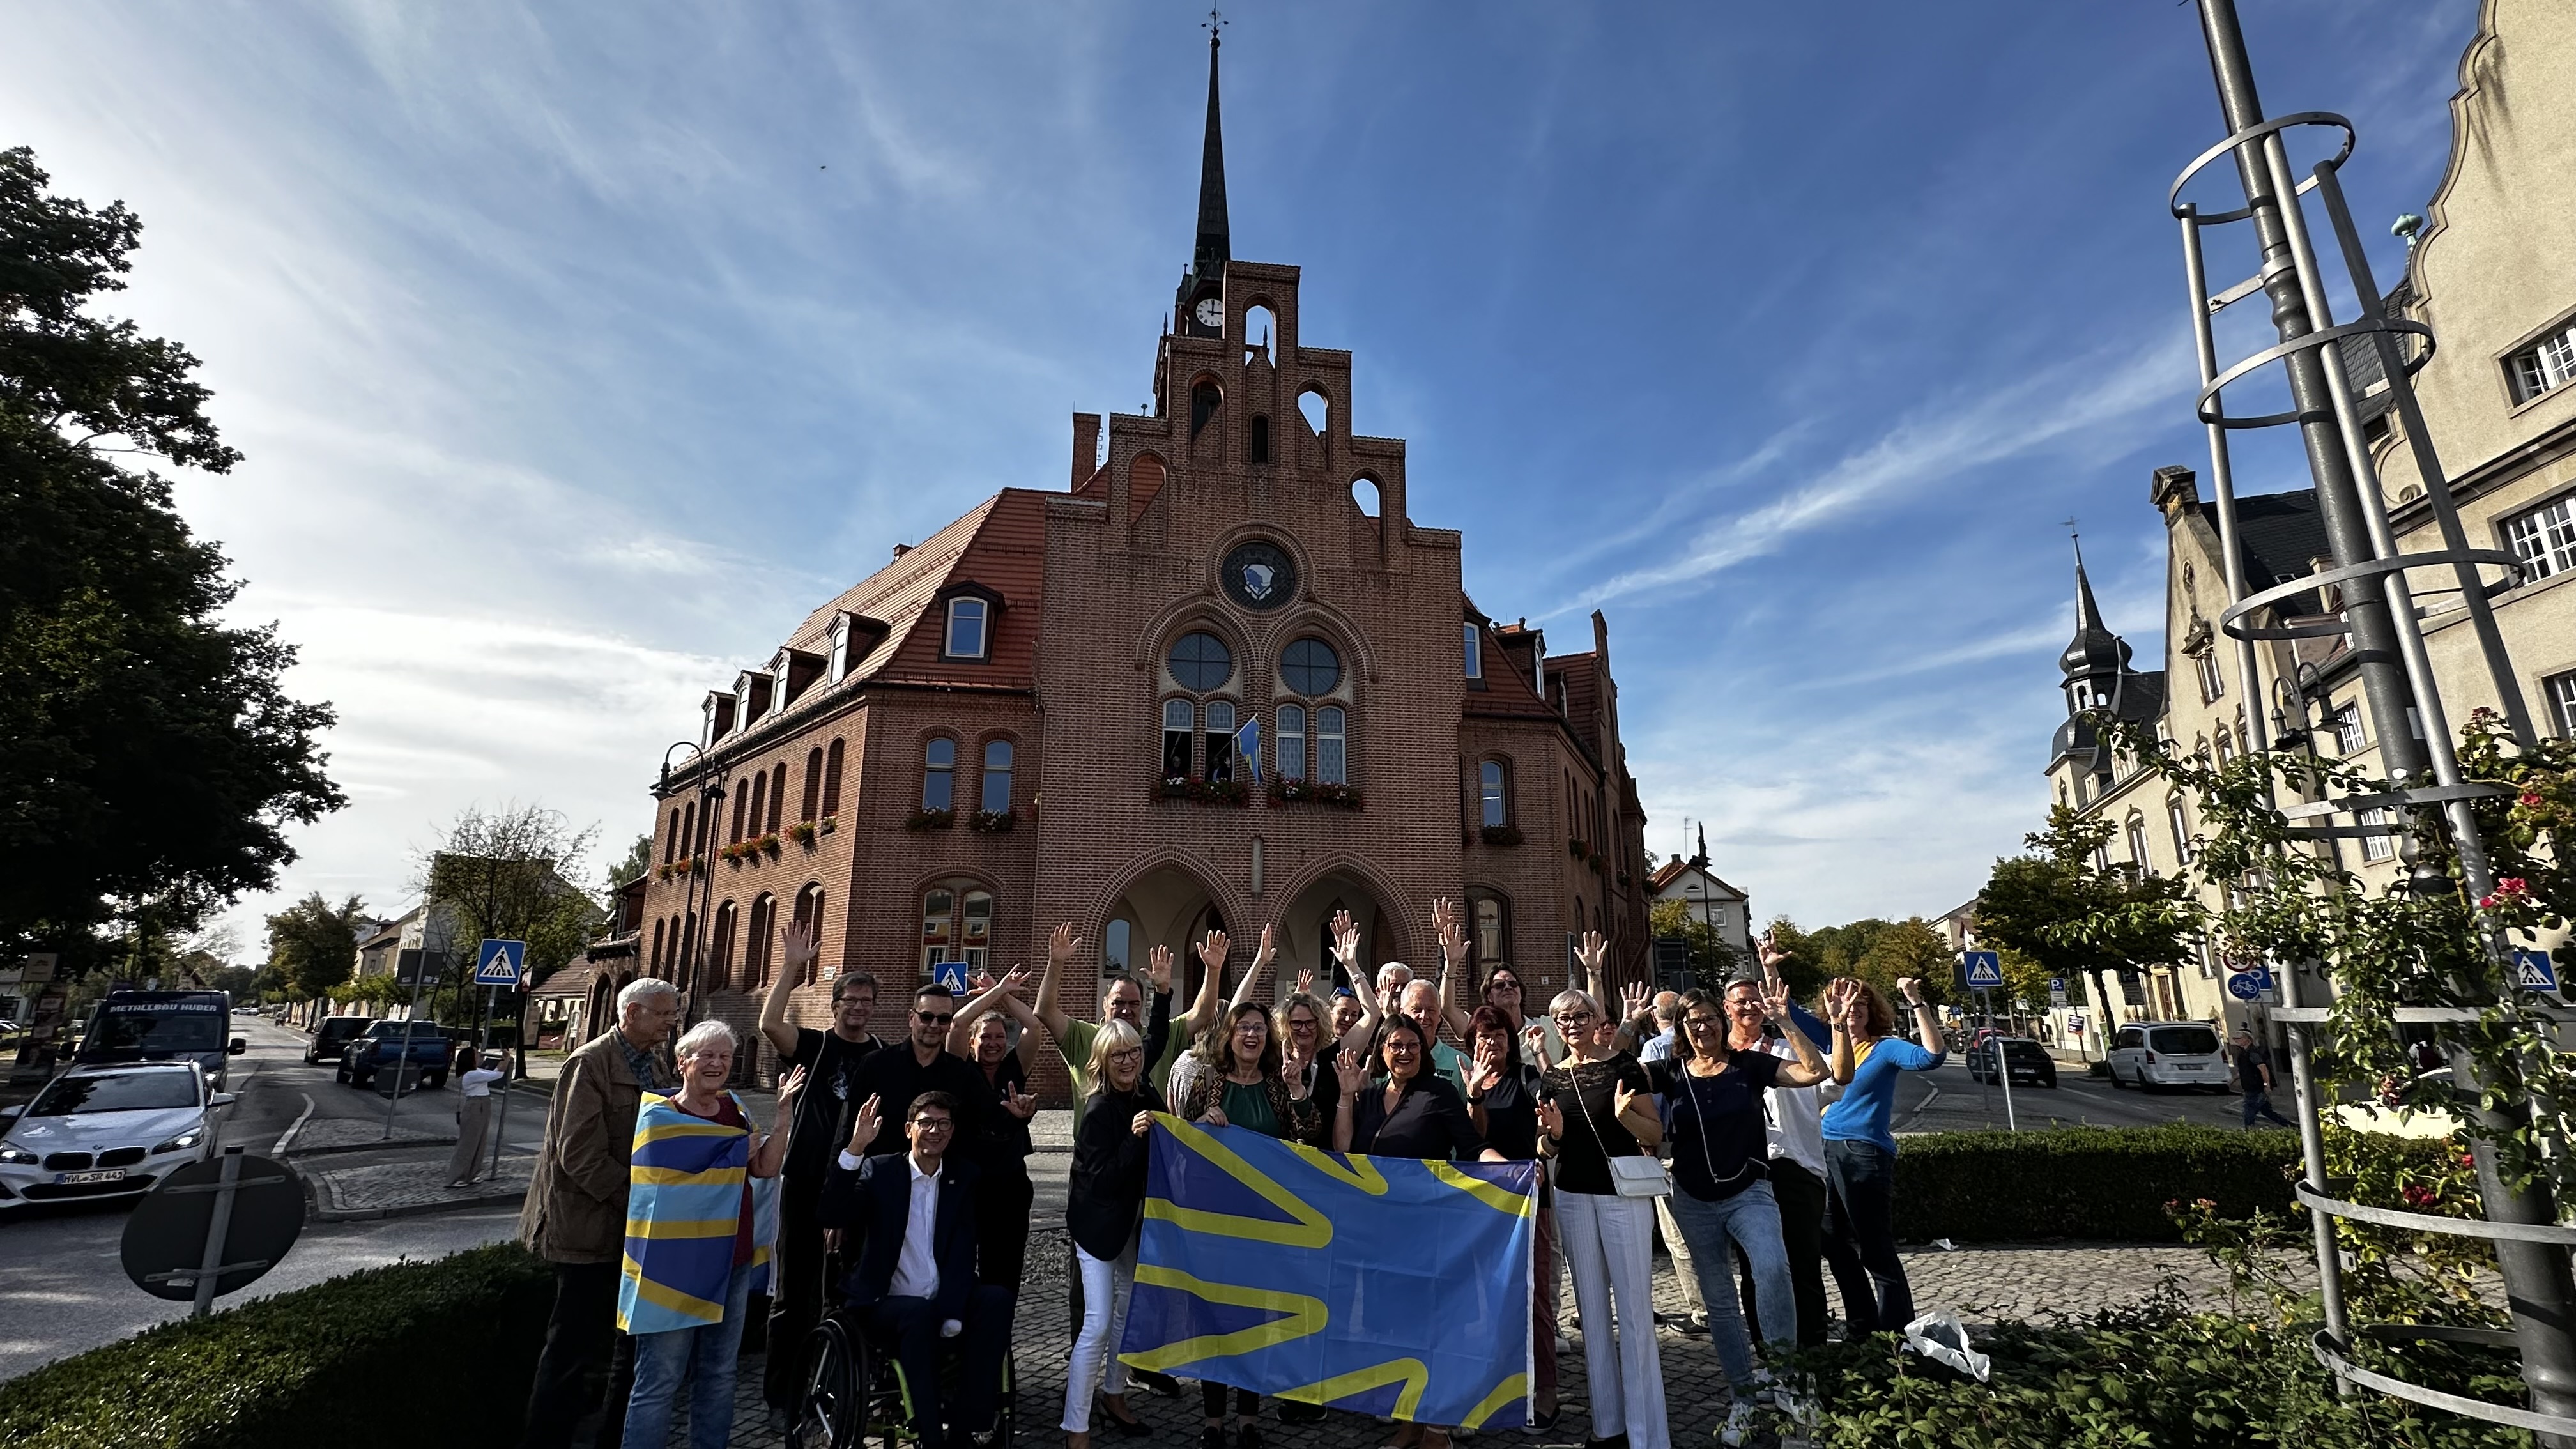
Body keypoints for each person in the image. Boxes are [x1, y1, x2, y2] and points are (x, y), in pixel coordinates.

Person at [1647, 985, 1830, 1445]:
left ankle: (1787, 1380)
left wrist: (1786, 1021)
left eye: (1710, 1018)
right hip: (1693, 1198)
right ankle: (1743, 1398)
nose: (1703, 1027)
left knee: (1772, 1269)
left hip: (1751, 1191)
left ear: (1722, 1022)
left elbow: (1815, 1072)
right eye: (1694, 1021)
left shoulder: (1749, 1065)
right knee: (1721, 1305)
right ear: (1682, 1030)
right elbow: (1610, 1075)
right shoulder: (1670, 1072)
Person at [620, 1023, 802, 1449]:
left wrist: (781, 1116)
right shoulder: (660, 1115)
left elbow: (763, 1169)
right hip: (672, 1269)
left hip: (731, 1260)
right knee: (660, 1378)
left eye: (724, 1056)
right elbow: (693, 1156)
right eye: (707, 1055)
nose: (718, 1064)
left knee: (720, 1372)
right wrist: (740, 1146)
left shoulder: (735, 1109)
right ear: (682, 1062)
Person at [518, 976, 680, 1449]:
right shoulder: (589, 1064)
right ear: (631, 1013)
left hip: (629, 1232)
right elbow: (579, 1155)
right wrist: (638, 1200)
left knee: (625, 1352)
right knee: (570, 1351)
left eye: (673, 1014)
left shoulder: (653, 1063)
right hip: (584, 1232)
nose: (671, 1023)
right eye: (664, 1013)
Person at [820, 1090, 1012, 1449]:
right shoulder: (881, 1171)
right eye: (926, 1123)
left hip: (944, 1297)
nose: (935, 1131)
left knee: (996, 1300)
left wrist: (953, 1311)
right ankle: (929, 1436)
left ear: (953, 1131)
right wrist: (856, 1148)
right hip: (887, 1302)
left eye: (943, 1124)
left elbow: (961, 1249)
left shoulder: (964, 1176)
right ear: (909, 1129)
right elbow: (832, 1213)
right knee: (918, 1312)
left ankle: (966, 1425)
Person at [1537, 933, 1669, 1449]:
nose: (1571, 1026)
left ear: (1598, 1021)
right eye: (1562, 1018)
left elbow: (1657, 1135)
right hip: (1572, 1195)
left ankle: (1646, 1433)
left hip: (1621, 1196)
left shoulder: (1623, 1066)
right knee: (1592, 1313)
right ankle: (1607, 1427)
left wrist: (1625, 1116)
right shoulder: (1550, 1078)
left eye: (1580, 1017)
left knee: (1634, 1312)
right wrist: (1551, 1137)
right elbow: (1544, 1149)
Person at [1180, 1001, 1322, 1447]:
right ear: (1230, 1034)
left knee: (1255, 1321)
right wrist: (1201, 1125)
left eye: (1260, 1028)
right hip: (1216, 1223)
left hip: (1264, 1225)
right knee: (1216, 1319)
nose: (1252, 1036)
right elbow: (1180, 1143)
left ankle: (1247, 1421)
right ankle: (1213, 1422)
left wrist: (1299, 1092)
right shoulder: (1207, 1082)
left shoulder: (1280, 1084)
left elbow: (1312, 1133)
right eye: (1244, 1027)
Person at [758, 921, 882, 1427]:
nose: (856, 1008)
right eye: (848, 1000)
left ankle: (833, 1387)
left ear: (874, 1006)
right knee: (794, 1292)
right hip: (806, 1181)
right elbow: (770, 1024)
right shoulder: (813, 1047)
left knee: (843, 1292)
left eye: (864, 1001)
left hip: (852, 1191)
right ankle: (782, 1397)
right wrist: (791, 966)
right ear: (835, 1007)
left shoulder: (880, 1057)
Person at [1739, 937, 1864, 1349]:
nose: (1748, 1008)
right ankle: (1766, 1354)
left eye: (1755, 1001)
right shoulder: (1722, 1062)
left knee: (1803, 1266)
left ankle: (1812, 1354)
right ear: (1726, 1011)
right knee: (1755, 1270)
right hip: (1745, 1173)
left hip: (1796, 1168)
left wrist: (1837, 1024)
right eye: (1738, 1002)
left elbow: (1840, 1076)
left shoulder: (1790, 1054)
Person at [1818, 975, 1945, 1336]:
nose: (1852, 1009)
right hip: (1825, 1151)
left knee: (1875, 1250)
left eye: (1860, 1004)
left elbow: (1932, 1057)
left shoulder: (1885, 1048)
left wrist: (1915, 1000)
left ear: (1871, 1011)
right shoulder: (1832, 1044)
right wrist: (1770, 969)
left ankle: (1895, 1335)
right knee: (1832, 1242)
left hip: (1864, 1152)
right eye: (1843, 1003)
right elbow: (1785, 1012)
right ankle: (1862, 1328)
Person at [1063, 1022, 1165, 1448]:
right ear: (1104, 1060)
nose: (1128, 1062)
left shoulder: (1144, 1094)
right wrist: (1134, 1137)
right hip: (1097, 1225)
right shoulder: (1098, 1109)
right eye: (1119, 1055)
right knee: (1099, 1322)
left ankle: (1115, 1393)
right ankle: (1076, 1428)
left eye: (1134, 1054)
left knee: (1129, 1310)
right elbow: (1101, 1180)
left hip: (1133, 1220)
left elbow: (1171, 1132)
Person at [1459, 1006, 1558, 1429]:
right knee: (1482, 1298)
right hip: (1483, 1205)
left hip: (1528, 1199)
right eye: (1483, 1036)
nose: (1491, 1042)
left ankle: (1547, 1388)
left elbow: (1544, 1112)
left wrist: (1544, 1143)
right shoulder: (1470, 1083)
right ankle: (1489, 1382)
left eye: (1498, 1034)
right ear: (1471, 1043)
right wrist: (1475, 1093)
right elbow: (1473, 1136)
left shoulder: (1523, 1078)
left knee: (1533, 1294)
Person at [1035, 923, 1224, 1121]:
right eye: (1118, 1002)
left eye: (1134, 1003)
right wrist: (1056, 964)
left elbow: (1202, 1014)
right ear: (1104, 1003)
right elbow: (1045, 1012)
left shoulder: (1156, 1040)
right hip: (1099, 1146)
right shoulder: (1084, 1036)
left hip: (1151, 1146)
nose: (1126, 1010)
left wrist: (1213, 970)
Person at [949, 968, 1043, 1294]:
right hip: (969, 1182)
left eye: (999, 1037)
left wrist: (1005, 996)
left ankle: (999, 1335)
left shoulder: (1016, 1066)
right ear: (973, 1042)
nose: (993, 1044)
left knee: (1005, 1266)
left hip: (1010, 1182)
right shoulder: (960, 1068)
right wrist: (997, 990)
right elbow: (958, 1023)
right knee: (958, 1261)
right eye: (985, 1037)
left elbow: (1034, 1025)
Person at [848, 985, 992, 1166]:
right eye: (926, 1017)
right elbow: (847, 1128)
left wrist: (1021, 1112)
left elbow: (989, 1121)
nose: (934, 1025)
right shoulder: (876, 1065)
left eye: (943, 1019)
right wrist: (839, 1178)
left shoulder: (961, 1073)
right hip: (881, 1181)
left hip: (940, 1182)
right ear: (911, 1018)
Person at [448, 1050, 509, 1188]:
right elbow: (497, 1074)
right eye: (476, 1054)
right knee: (468, 1142)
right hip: (475, 1105)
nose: (480, 1055)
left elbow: (490, 1071)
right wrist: (506, 1059)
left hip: (483, 1103)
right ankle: (456, 1177)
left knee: (480, 1141)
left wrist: (499, 1060)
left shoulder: (476, 1071)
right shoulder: (471, 1075)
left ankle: (471, 1174)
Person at [2231, 1029, 2292, 1128]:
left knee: (2249, 1110)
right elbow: (2246, 1071)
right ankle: (2290, 1126)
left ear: (2248, 1039)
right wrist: (2234, 1079)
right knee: (2267, 1111)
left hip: (2257, 1087)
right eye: (2235, 1039)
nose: (2236, 1040)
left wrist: (2266, 1084)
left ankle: (2249, 1131)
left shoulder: (2253, 1053)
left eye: (2239, 1038)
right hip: (2250, 1086)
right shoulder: (2244, 1053)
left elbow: (2263, 1068)